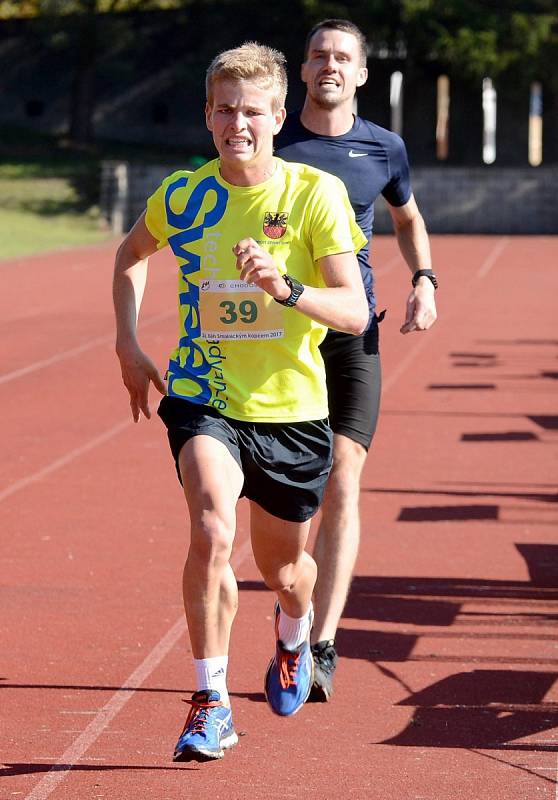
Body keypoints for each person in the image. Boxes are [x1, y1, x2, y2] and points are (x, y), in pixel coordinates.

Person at [112, 41, 368, 762]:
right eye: (224, 109)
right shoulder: (184, 194)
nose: (237, 123)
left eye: (252, 110)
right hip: (205, 399)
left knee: (284, 571)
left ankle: (294, 628)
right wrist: (128, 344)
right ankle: (210, 703)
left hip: (291, 410)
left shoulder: (312, 195)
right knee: (211, 529)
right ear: (207, 114)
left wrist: (284, 288)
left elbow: (354, 311)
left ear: (279, 116)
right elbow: (132, 254)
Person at [274, 18, 438, 702]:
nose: (329, 65)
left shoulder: (385, 147)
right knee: (285, 496)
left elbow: (407, 218)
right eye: (318, 55)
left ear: (362, 74)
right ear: (303, 71)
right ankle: (292, 605)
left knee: (345, 475)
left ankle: (321, 643)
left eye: (342, 56)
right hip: (278, 334)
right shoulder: (272, 141)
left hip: (351, 330)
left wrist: (425, 279)